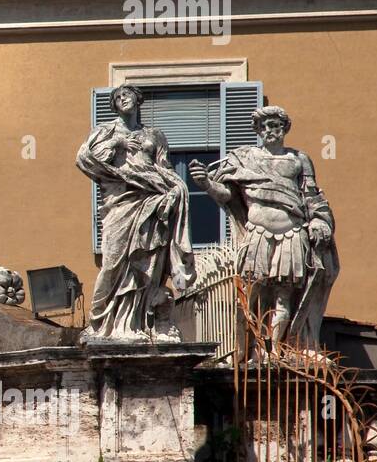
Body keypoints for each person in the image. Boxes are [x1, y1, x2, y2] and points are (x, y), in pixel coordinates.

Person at [189, 105, 338, 350]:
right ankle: (255, 348)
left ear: (285, 129)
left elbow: (312, 196)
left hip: (292, 233)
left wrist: (320, 220)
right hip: (258, 232)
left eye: (277, 125)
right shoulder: (243, 158)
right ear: (258, 130)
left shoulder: (299, 160)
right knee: (255, 293)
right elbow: (227, 194)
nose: (271, 130)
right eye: (266, 126)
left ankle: (276, 350)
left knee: (283, 296)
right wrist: (206, 183)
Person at [76, 84, 195, 340]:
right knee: (112, 262)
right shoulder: (105, 131)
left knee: (145, 264)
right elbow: (85, 159)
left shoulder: (154, 135)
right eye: (117, 97)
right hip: (120, 203)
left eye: (127, 95)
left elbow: (165, 168)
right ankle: (101, 322)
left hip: (152, 200)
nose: (122, 99)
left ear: (137, 100)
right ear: (113, 105)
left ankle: (134, 325)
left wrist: (176, 187)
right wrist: (117, 142)